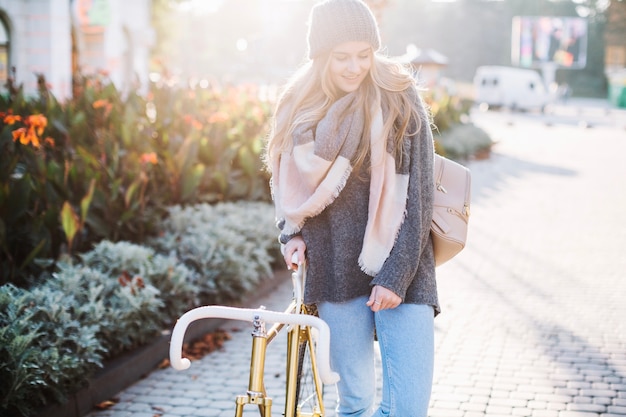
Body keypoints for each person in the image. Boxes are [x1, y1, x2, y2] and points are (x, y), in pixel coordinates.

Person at [264, 0, 439, 416]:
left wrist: (395, 276)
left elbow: (420, 193)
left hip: (405, 267)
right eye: (342, 57)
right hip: (334, 269)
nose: (354, 67)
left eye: (364, 55)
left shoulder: (398, 94)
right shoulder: (298, 107)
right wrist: (291, 236)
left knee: (408, 408)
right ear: (320, 55)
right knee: (355, 402)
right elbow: (288, 191)